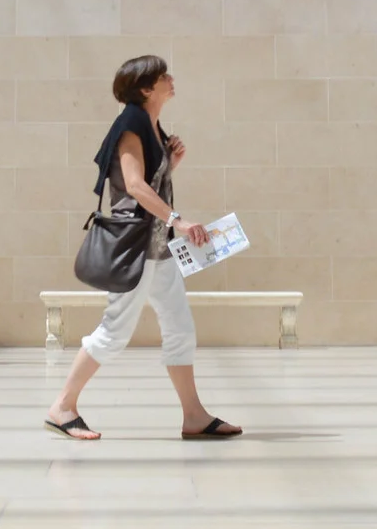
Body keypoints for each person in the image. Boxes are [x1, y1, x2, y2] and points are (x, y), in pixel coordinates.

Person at [44, 55, 240, 442]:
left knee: (180, 328)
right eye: (162, 76)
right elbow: (132, 187)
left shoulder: (151, 124)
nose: (171, 79)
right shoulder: (131, 123)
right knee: (114, 331)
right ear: (146, 89)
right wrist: (178, 221)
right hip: (135, 249)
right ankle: (62, 407)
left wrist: (171, 163)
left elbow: (144, 183)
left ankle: (194, 416)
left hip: (157, 249)